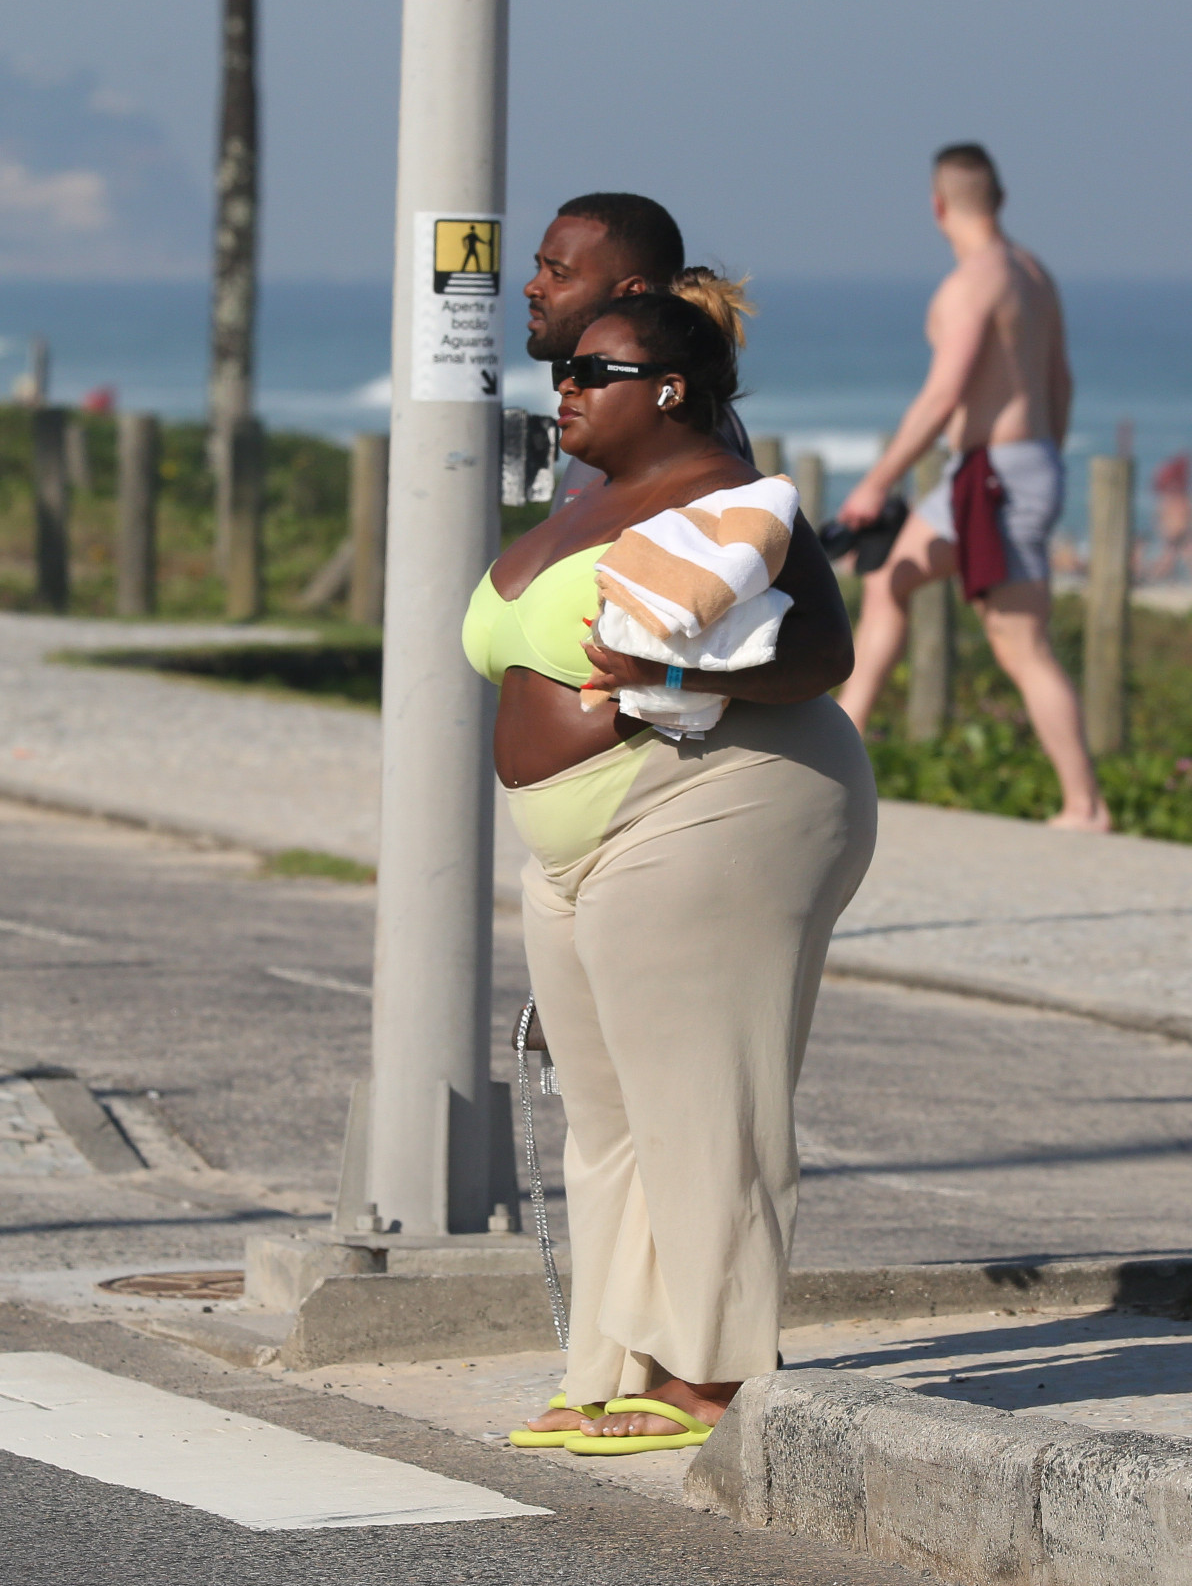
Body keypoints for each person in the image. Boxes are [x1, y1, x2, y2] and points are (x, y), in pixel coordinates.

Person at [463, 288, 876, 1450]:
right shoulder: (586, 500)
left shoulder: (728, 497)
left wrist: (681, 677)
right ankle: (612, 1360)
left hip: (714, 807)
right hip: (577, 846)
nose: (566, 386)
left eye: (594, 369)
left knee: (705, 1107)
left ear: (671, 389)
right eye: (565, 371)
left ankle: (715, 1372)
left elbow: (822, 651)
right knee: (606, 1119)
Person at [836, 143, 1109, 832]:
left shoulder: (970, 285)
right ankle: (843, 748)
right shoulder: (1033, 274)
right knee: (889, 577)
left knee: (1021, 641)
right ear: (999, 198)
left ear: (937, 206)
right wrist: (1044, 458)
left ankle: (1086, 805)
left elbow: (943, 394)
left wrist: (875, 482)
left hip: (997, 477)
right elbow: (1062, 382)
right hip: (1005, 468)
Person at [523, 192, 754, 508]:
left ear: (630, 293)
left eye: (559, 275)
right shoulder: (624, 430)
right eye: (539, 269)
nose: (532, 288)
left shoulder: (674, 430)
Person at [1149, 455, 1191, 582]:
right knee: (1169, 559)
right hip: (1175, 533)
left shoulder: (1174, 500)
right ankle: (1152, 579)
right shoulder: (1173, 500)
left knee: (1172, 558)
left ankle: (1153, 579)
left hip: (1177, 533)